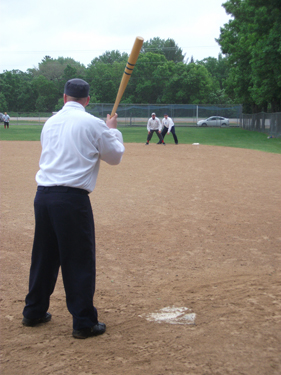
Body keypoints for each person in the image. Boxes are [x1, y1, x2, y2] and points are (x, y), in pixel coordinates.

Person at [22, 78, 125, 339]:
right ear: (87, 100)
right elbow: (115, 157)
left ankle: (33, 312)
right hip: (71, 200)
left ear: (64, 97)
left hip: (43, 196)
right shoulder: (93, 123)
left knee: (44, 256)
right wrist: (112, 129)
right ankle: (84, 322)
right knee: (78, 259)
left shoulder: (50, 122)